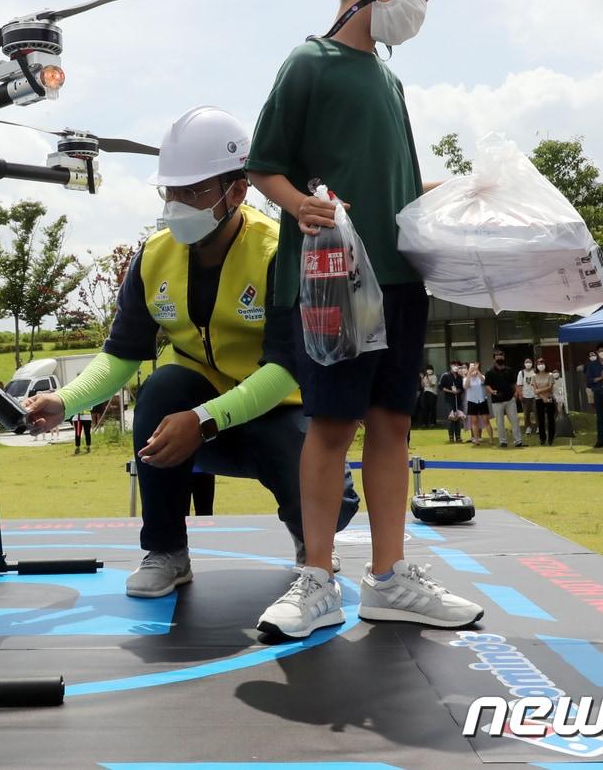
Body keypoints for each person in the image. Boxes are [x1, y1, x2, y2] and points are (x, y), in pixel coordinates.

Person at [245, 0, 482, 638]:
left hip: (401, 282)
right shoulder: (309, 63)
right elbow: (264, 165)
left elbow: (401, 191)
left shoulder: (390, 83)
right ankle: (315, 578)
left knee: (393, 426)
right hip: (331, 284)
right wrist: (299, 206)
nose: (420, 9)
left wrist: (471, 192)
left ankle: (389, 578)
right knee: (330, 426)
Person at [25, 105, 359, 611]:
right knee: (161, 390)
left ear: (239, 190)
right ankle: (166, 552)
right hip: (200, 412)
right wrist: (65, 401)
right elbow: (122, 354)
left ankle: (312, 543)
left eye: (195, 190)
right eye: (172, 190)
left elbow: (287, 367)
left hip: (281, 409)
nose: (179, 203)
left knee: (317, 487)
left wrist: (202, 422)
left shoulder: (278, 253)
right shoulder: (154, 255)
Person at [485, 349, 523, 447]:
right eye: (497, 357)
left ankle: (518, 441)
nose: (499, 358)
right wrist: (491, 391)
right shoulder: (489, 372)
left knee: (514, 420)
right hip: (497, 401)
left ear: (504, 357)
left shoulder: (509, 370)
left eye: (501, 356)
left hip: (510, 399)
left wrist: (516, 392)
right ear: (494, 359)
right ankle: (503, 441)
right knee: (499, 422)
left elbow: (513, 383)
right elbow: (487, 385)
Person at [532, 360, 558, 446]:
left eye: (542, 363)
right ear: (537, 365)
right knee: (540, 419)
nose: (541, 365)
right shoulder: (534, 376)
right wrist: (542, 397)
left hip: (550, 398)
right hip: (539, 399)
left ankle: (551, 438)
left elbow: (550, 387)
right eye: (539, 363)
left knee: (551, 419)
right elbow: (535, 390)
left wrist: (539, 390)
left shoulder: (550, 375)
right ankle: (542, 438)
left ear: (545, 365)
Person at [464, 362, 489, 445]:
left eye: (474, 367)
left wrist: (477, 370)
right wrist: (469, 374)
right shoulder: (466, 378)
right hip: (472, 401)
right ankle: (475, 438)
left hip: (482, 401)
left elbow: (483, 380)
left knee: (485, 420)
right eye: (471, 368)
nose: (473, 369)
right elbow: (466, 386)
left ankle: (490, 439)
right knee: (474, 421)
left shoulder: (481, 377)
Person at [439, 360, 464, 443]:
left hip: (458, 400)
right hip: (449, 400)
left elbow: (462, 388)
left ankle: (458, 436)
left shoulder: (460, 377)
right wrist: (451, 391)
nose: (456, 367)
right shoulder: (445, 376)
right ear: (451, 366)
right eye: (454, 365)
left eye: (457, 365)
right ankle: (451, 437)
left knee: (458, 418)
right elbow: (441, 387)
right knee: (451, 417)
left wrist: (458, 391)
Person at [518, 357, 537, 434]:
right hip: (525, 396)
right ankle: (528, 427)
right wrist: (520, 394)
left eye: (529, 362)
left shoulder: (535, 371)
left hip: (535, 396)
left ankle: (538, 427)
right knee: (526, 414)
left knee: (537, 412)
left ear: (532, 364)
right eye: (526, 362)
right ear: (524, 364)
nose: (528, 363)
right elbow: (519, 385)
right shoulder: (521, 373)